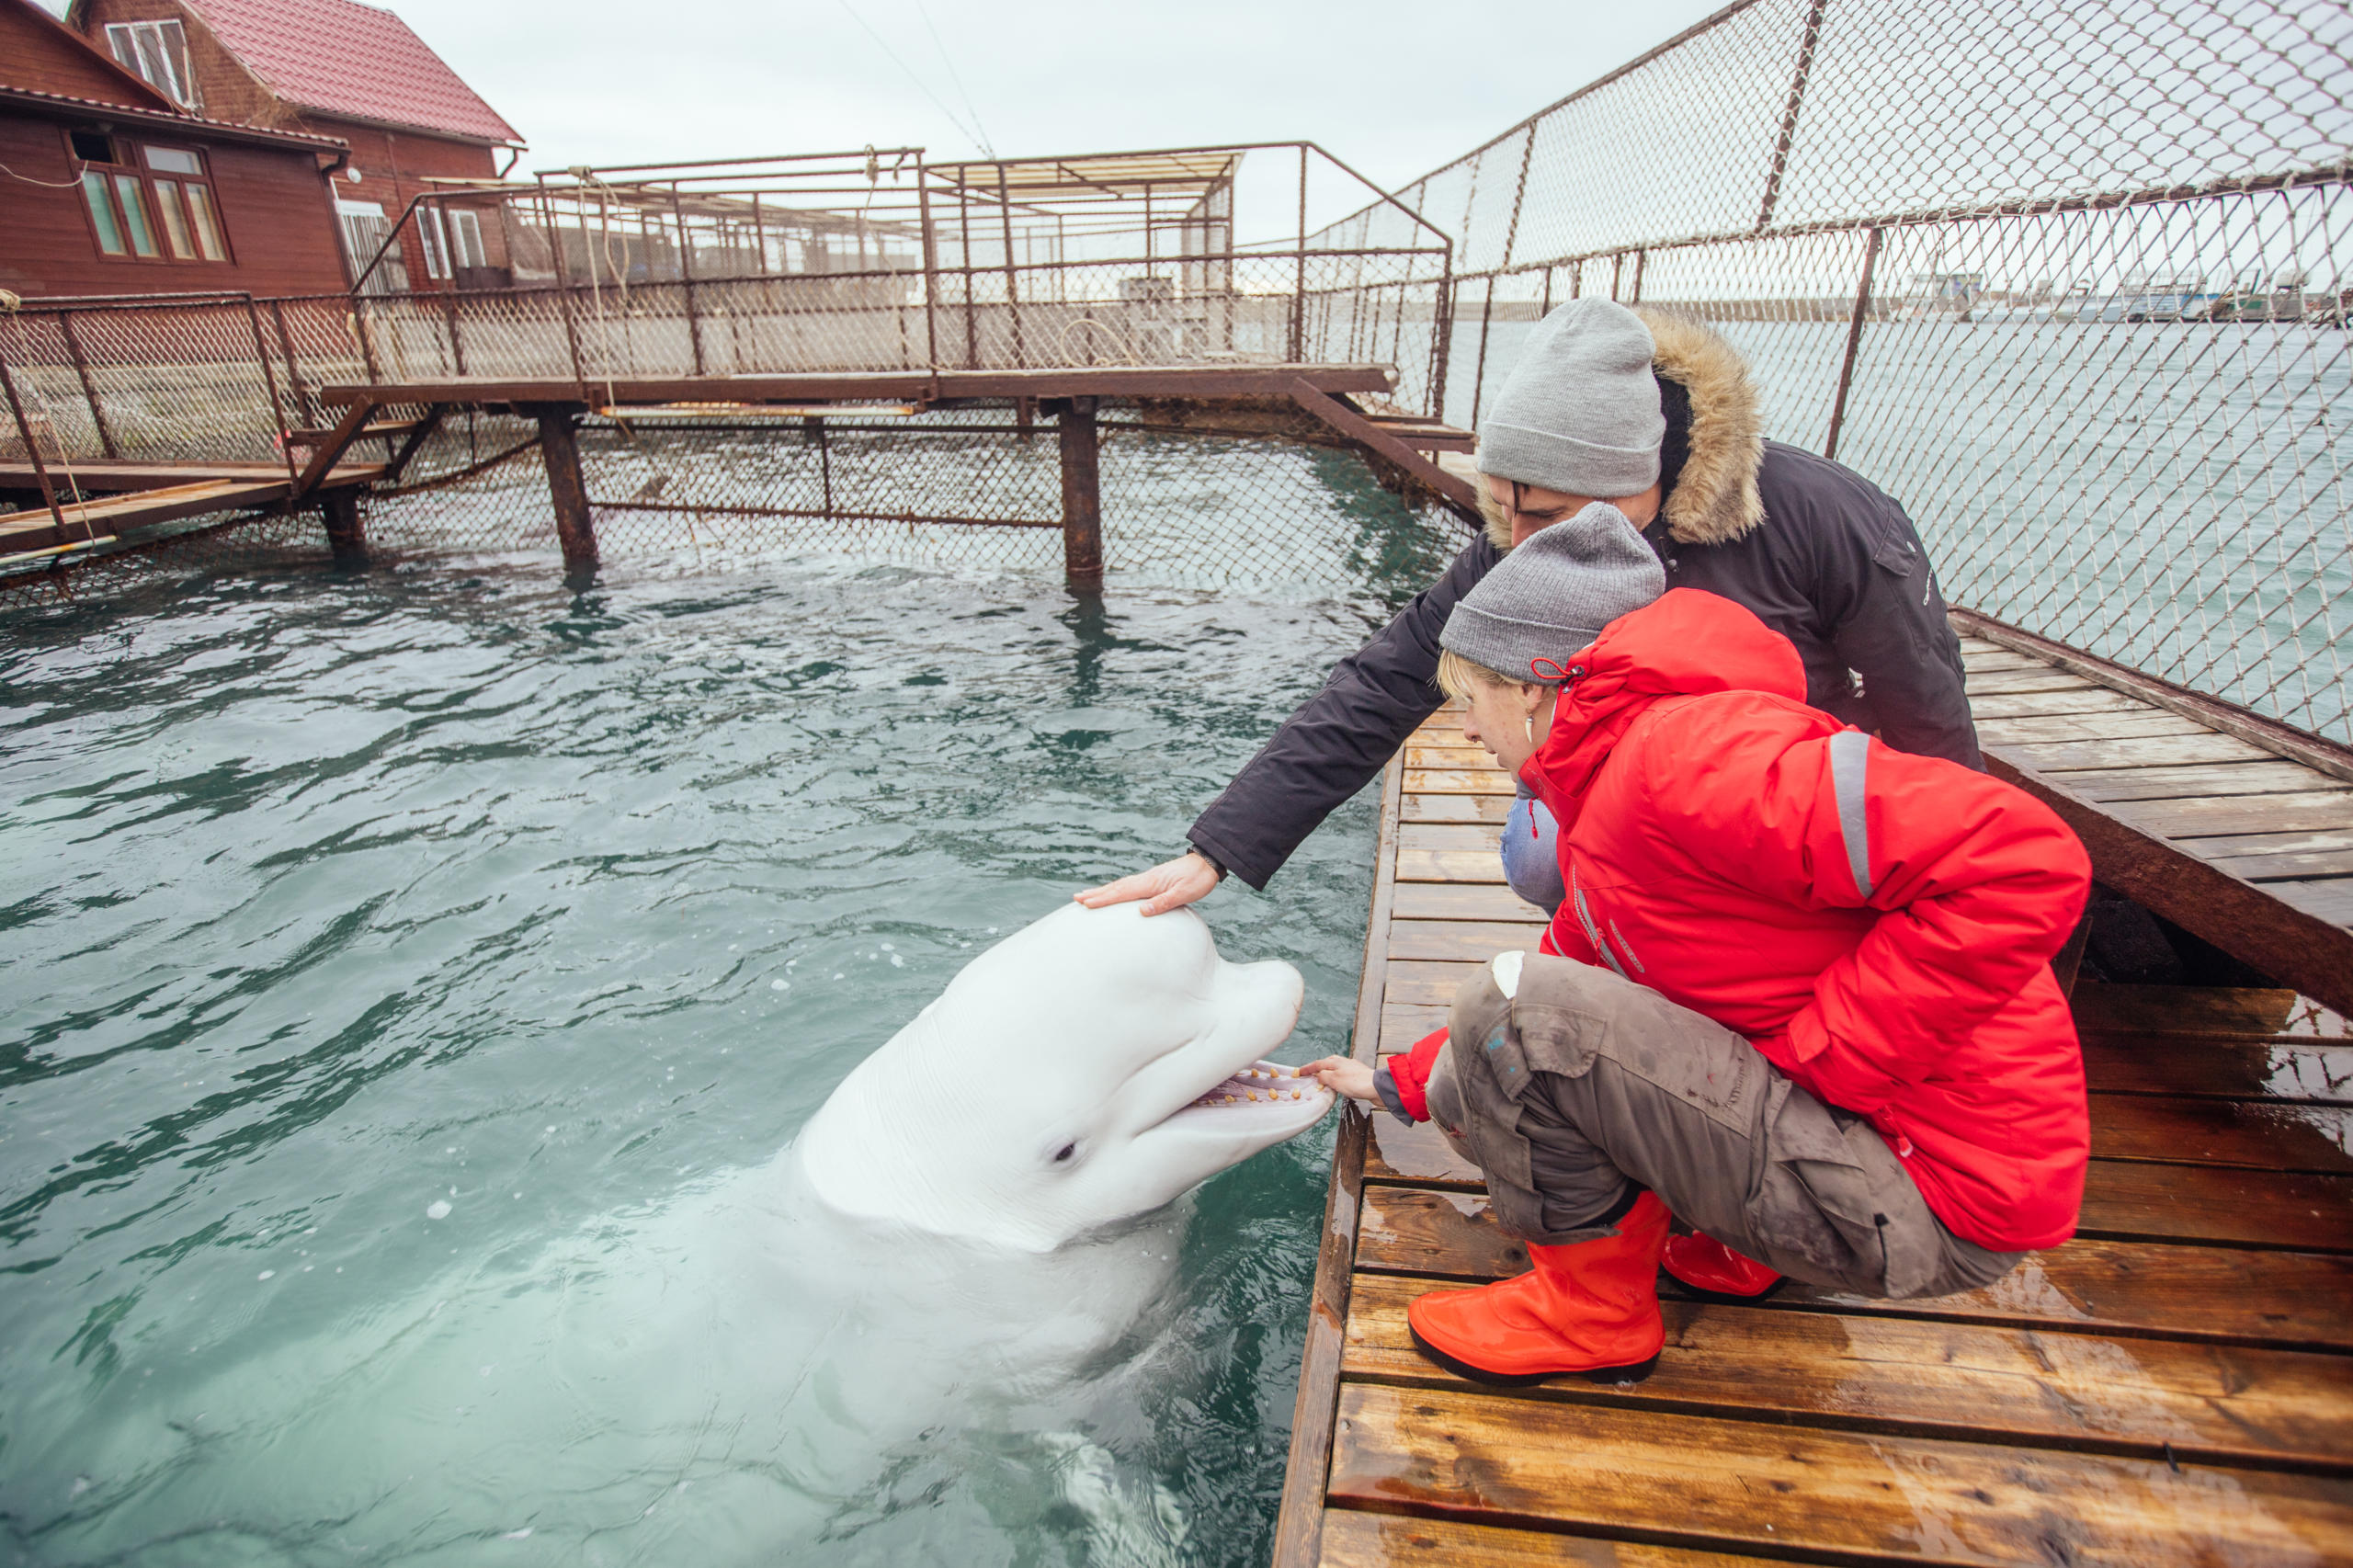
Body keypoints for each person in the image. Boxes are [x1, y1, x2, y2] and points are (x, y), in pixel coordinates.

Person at [1302, 506, 2088, 1385]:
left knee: (1512, 1007)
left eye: (1469, 700)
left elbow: (2020, 859)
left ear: (1531, 685)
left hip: (1926, 1199)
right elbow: (1581, 975)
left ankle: (1589, 1317)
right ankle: (1750, 1247)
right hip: (1888, 1162)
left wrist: (1823, 1063)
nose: (1466, 730)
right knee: (1474, 1080)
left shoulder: (1690, 757)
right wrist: (1396, 1084)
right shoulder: (1612, 796)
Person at [1076, 298, 1979, 920]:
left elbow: (1924, 710)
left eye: (1543, 514)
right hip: (1624, 799)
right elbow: (1388, 675)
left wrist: (1910, 882)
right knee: (1541, 857)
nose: (1517, 535)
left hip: (1778, 795)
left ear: (1644, 478)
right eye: (1504, 507)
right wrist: (1219, 849)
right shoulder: (1524, 529)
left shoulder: (1827, 517)